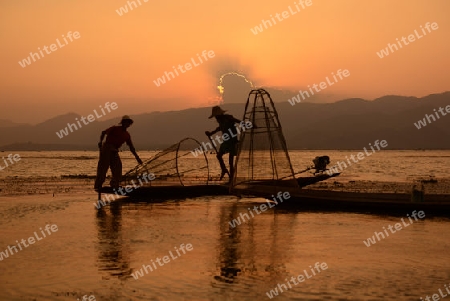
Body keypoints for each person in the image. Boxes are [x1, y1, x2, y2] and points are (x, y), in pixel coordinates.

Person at [94, 115, 143, 191]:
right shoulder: (115, 128)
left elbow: (131, 147)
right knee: (103, 167)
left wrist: (137, 158)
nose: (127, 124)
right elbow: (103, 132)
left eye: (128, 123)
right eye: (126, 122)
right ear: (123, 123)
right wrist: (100, 142)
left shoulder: (127, 135)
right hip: (107, 147)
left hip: (114, 150)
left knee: (118, 167)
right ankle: (98, 185)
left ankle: (114, 184)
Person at [205, 106, 242, 180]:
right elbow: (219, 128)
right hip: (226, 141)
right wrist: (211, 133)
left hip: (232, 141)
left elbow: (239, 121)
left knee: (231, 162)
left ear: (219, 114)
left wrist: (249, 124)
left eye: (216, 116)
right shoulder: (220, 121)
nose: (215, 118)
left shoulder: (228, 118)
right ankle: (224, 169)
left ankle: (231, 179)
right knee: (219, 156)